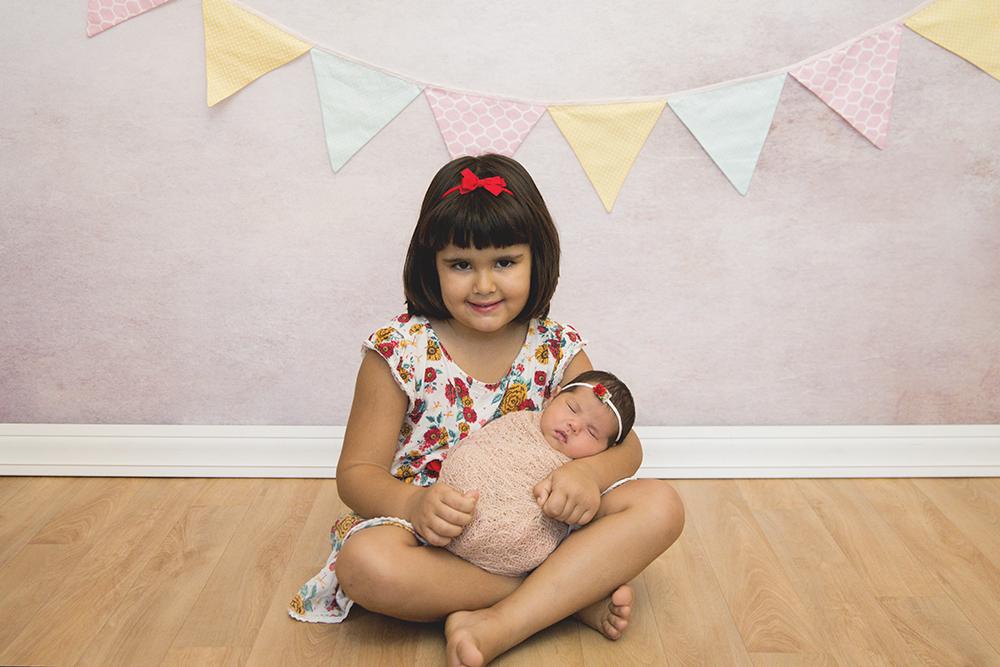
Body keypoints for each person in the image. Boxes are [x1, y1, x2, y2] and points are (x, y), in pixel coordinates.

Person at [288, 154, 684, 667]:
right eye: (460, 265)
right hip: (436, 535)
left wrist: (592, 476)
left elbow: (625, 441)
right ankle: (564, 595)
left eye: (504, 262)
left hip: (540, 524)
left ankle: (502, 619)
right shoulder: (398, 351)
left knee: (661, 506)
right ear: (430, 263)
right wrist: (412, 506)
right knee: (365, 566)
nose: (483, 285)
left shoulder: (556, 347)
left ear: (536, 258)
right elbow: (356, 475)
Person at [440, 370, 637, 577]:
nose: (575, 425)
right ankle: (551, 596)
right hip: (450, 506)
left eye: (592, 432)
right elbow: (475, 450)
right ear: (552, 397)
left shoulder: (581, 471)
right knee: (467, 458)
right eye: (572, 408)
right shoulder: (519, 423)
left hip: (514, 540)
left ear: (604, 450)